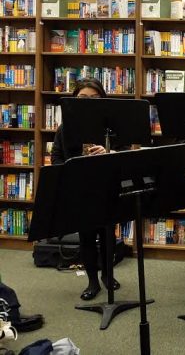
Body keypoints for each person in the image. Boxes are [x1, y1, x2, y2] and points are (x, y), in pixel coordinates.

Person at [50, 77, 119, 301]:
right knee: (87, 237)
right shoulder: (66, 126)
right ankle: (92, 281)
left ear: (102, 99)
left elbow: (125, 151)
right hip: (80, 188)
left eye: (94, 98)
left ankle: (108, 276)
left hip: (107, 186)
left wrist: (108, 152)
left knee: (108, 235)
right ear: (74, 99)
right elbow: (57, 156)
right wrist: (69, 173)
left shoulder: (111, 123)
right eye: (82, 98)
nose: (88, 102)